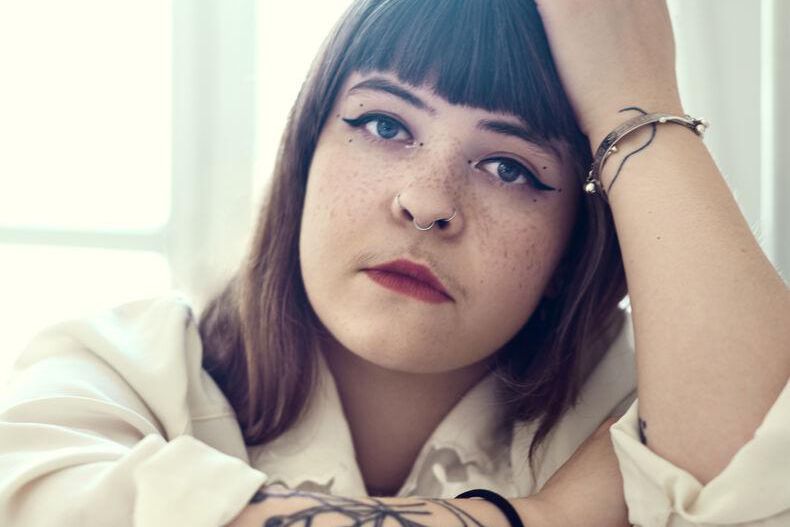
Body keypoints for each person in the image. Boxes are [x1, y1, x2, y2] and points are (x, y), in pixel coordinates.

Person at [1, 1, 788, 526]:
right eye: (383, 123)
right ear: (307, 145)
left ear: (580, 235)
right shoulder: (118, 372)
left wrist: (636, 97)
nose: (427, 200)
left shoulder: (646, 403)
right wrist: (545, 516)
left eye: (510, 168)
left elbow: (764, 471)